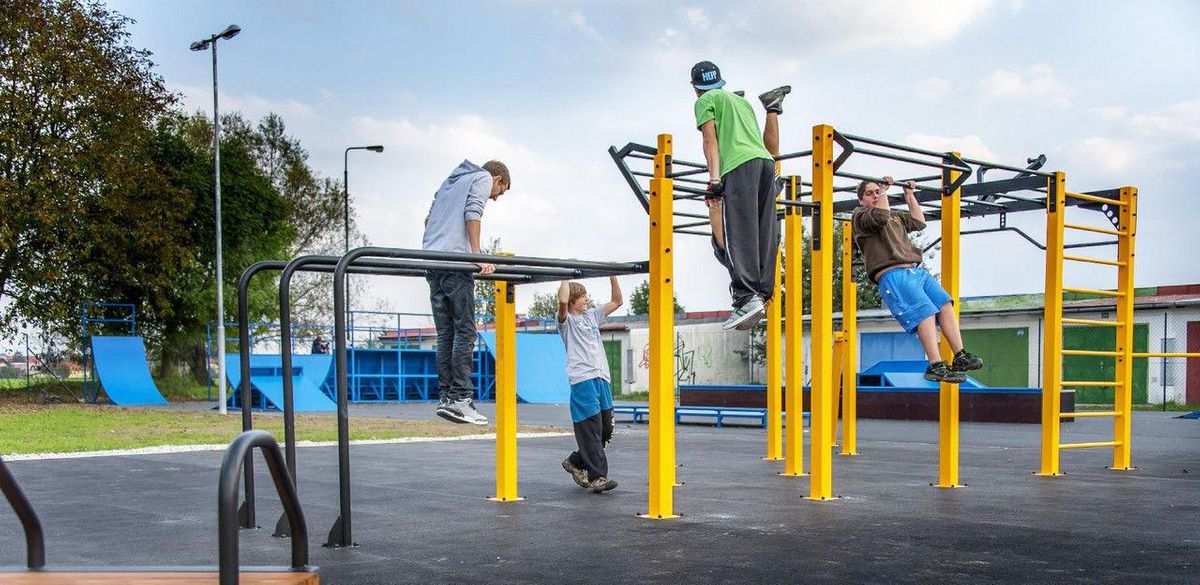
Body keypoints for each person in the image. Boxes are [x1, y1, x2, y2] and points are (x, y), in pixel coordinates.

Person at [690, 59, 791, 330]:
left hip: (738, 167)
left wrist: (714, 179)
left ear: (695, 88)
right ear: (720, 82)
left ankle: (747, 297)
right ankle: (760, 295)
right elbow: (766, 145)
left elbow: (709, 140)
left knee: (740, 234)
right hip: (766, 165)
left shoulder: (704, 101)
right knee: (763, 234)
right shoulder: (741, 103)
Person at [851, 177, 984, 383]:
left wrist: (909, 195)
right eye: (870, 193)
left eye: (877, 191)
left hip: (915, 271)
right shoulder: (861, 216)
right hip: (892, 273)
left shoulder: (894, 215)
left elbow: (919, 222)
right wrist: (885, 191)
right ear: (861, 200)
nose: (875, 195)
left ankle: (960, 355)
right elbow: (881, 215)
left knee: (944, 304)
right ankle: (935, 365)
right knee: (926, 312)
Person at [422, 159, 511, 424]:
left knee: (445, 333)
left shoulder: (450, 183)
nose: (496, 198)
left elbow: (428, 219)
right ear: (497, 179)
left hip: (430, 260)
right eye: (501, 191)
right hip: (455, 262)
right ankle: (460, 398)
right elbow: (473, 213)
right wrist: (477, 255)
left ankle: (447, 397)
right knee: (466, 330)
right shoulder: (482, 177)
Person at [557, 276, 622, 493]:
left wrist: (613, 275)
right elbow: (562, 301)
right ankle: (598, 478)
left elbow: (617, 301)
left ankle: (576, 461)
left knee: (606, 429)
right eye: (583, 296)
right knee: (591, 429)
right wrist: (564, 276)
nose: (586, 299)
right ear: (574, 299)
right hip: (582, 379)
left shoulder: (592, 316)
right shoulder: (567, 322)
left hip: (601, 377)